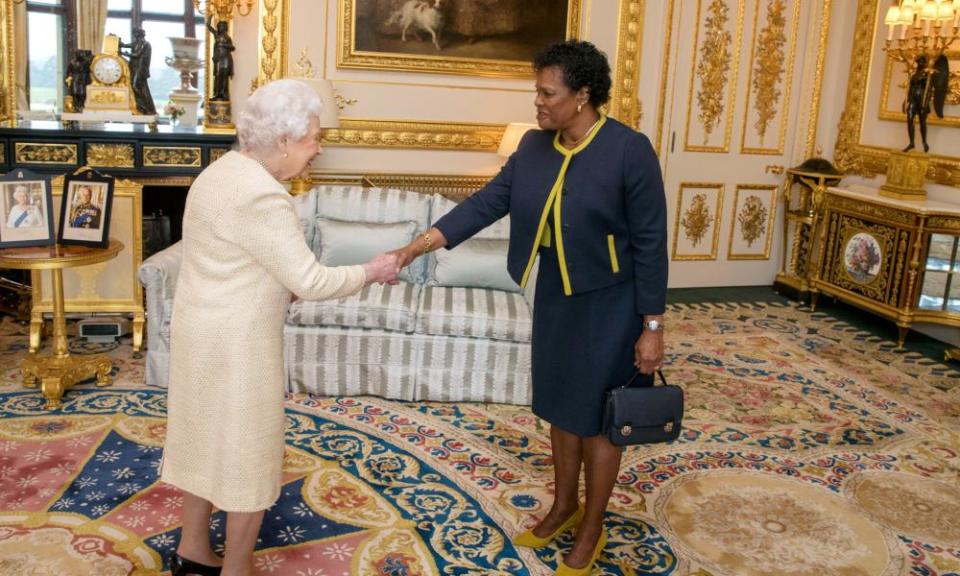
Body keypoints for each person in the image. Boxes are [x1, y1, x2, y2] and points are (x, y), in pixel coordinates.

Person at [389, 40, 667, 575]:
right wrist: (415, 246)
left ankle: (592, 528)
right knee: (562, 407)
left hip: (613, 304)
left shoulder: (629, 150)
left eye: (547, 93)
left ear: (583, 95)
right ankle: (564, 507)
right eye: (536, 91)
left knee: (600, 420)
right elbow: (483, 205)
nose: (537, 103)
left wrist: (651, 325)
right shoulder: (536, 149)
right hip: (557, 298)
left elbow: (652, 242)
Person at [160, 78, 400, 576]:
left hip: (198, 333)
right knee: (249, 450)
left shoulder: (220, 172)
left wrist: (280, 285)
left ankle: (193, 552)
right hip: (237, 345)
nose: (318, 147)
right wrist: (372, 272)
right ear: (286, 140)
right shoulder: (264, 197)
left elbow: (235, 260)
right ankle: (238, 567)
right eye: (313, 136)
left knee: (205, 440)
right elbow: (311, 280)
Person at [121, 28, 157, 115]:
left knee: (136, 86)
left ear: (139, 35)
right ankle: (142, 107)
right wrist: (118, 43)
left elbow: (137, 55)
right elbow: (125, 45)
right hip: (134, 68)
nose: (134, 35)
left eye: (135, 34)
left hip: (141, 69)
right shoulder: (136, 43)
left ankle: (145, 107)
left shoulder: (145, 44)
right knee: (138, 87)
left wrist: (125, 54)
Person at [207, 20, 235, 101]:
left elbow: (232, 48)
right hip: (219, 58)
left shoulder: (227, 37)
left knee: (224, 76)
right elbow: (209, 26)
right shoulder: (216, 34)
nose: (220, 27)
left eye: (222, 26)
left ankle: (224, 94)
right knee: (218, 75)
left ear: (225, 27)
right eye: (219, 26)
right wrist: (210, 15)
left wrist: (224, 45)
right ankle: (217, 94)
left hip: (226, 58)